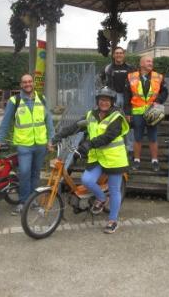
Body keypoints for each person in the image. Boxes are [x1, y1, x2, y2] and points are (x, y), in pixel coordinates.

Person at [53, 87, 129, 234]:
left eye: (107, 100)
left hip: (114, 158)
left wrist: (88, 144)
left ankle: (112, 220)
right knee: (86, 180)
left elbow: (108, 136)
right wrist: (58, 136)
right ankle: (101, 198)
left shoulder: (117, 117)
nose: (104, 102)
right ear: (97, 101)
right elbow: (75, 127)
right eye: (101, 100)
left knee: (114, 190)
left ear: (112, 102)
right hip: (98, 157)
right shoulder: (91, 115)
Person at [0, 74, 54, 215]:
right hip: (24, 144)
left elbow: (48, 121)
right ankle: (23, 202)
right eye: (25, 82)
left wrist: (51, 139)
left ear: (33, 83)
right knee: (25, 172)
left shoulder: (42, 99)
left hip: (40, 144)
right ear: (21, 85)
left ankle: (33, 201)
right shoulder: (15, 101)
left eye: (30, 81)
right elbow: (6, 122)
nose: (27, 84)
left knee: (35, 173)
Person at [124, 55, 168, 171]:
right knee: (137, 137)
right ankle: (136, 160)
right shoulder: (131, 77)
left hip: (153, 111)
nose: (151, 63)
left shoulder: (158, 77)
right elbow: (127, 96)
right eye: (148, 61)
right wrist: (127, 113)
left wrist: (158, 101)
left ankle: (154, 161)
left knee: (153, 137)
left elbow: (164, 92)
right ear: (141, 64)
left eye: (152, 61)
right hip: (137, 112)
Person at [100, 46, 135, 155]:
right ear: (114, 55)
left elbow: (135, 83)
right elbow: (101, 79)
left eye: (121, 53)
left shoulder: (131, 68)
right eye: (117, 53)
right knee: (113, 122)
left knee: (128, 122)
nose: (119, 55)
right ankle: (113, 145)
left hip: (127, 97)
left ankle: (129, 149)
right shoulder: (108, 68)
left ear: (124, 55)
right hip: (113, 97)